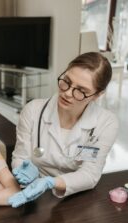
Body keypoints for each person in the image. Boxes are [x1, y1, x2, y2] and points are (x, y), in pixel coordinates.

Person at [8, 52, 119, 207]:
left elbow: (90, 174)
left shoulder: (106, 123)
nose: (67, 93)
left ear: (97, 95)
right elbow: (20, 157)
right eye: (66, 81)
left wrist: (50, 182)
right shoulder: (33, 110)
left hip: (76, 198)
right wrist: (25, 174)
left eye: (81, 91)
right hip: (32, 193)